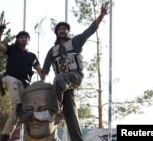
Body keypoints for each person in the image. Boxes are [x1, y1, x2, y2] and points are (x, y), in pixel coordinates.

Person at [33, 2, 109, 141]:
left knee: (59, 79)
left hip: (75, 77)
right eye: (59, 29)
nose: (62, 30)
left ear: (67, 31)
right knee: (71, 115)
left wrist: (101, 16)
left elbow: (89, 31)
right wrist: (36, 65)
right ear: (56, 32)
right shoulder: (52, 51)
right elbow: (44, 74)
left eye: (64, 29)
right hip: (63, 86)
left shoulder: (75, 42)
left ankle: (51, 112)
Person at [0, 19, 42, 141]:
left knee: (14, 114)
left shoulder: (32, 56)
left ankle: (5, 136)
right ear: (17, 39)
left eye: (26, 37)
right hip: (9, 80)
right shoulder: (12, 49)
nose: (24, 39)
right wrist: (0, 31)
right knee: (13, 84)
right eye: (21, 37)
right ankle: (21, 110)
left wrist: (43, 79)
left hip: (24, 85)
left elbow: (40, 70)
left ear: (28, 41)